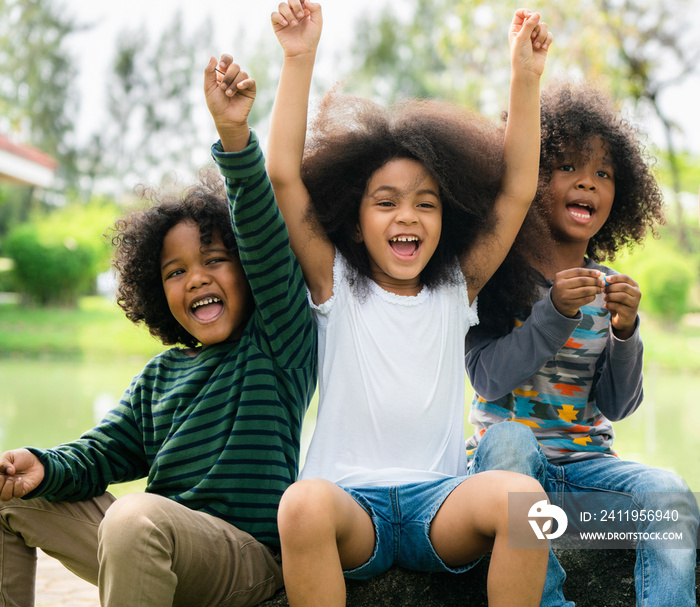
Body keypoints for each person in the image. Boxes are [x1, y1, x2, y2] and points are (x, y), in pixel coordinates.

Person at [245, 1, 553, 604]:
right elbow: (284, 174)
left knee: (528, 504)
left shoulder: (454, 288)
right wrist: (299, 56)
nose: (406, 215)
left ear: (446, 221)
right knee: (299, 502)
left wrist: (525, 78)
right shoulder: (334, 282)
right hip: (349, 508)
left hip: (439, 506)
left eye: (425, 204)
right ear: (356, 222)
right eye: (385, 202)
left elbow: (517, 190)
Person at [0, 57, 316, 607]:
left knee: (135, 517)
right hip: (150, 543)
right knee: (9, 494)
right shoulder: (162, 375)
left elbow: (265, 237)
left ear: (249, 272)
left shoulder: (277, 345)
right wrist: (42, 464)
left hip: (246, 564)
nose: (196, 278)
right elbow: (100, 455)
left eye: (215, 260)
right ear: (158, 291)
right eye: (175, 272)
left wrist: (235, 137)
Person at [465, 82, 699, 607]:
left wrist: (624, 333)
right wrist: (553, 315)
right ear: (532, 177)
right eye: (568, 167)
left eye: (603, 174)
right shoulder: (497, 278)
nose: (588, 184)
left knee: (671, 495)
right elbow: (486, 377)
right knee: (508, 440)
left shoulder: (608, 285)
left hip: (584, 484)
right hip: (506, 482)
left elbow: (618, 405)